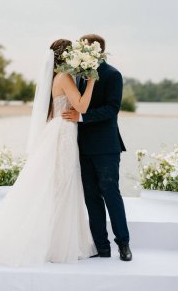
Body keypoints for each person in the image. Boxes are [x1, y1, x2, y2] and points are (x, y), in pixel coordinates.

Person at [0, 39, 97, 267]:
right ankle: (58, 245)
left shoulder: (56, 78)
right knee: (63, 185)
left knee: (59, 184)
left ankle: (57, 240)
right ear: (67, 57)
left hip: (58, 129)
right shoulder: (64, 77)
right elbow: (82, 107)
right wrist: (92, 80)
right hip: (63, 134)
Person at [62, 34, 132, 261]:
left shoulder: (113, 75)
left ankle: (123, 244)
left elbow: (112, 109)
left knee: (111, 194)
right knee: (91, 198)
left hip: (106, 147)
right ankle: (101, 247)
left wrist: (81, 117)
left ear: (96, 51)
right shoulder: (78, 78)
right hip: (82, 147)